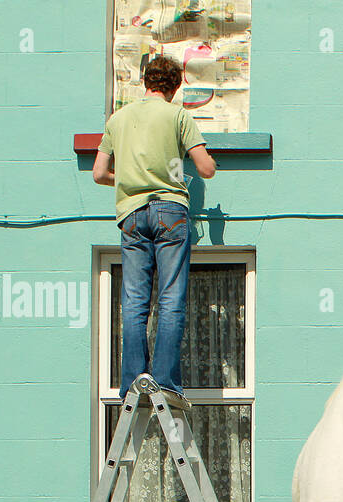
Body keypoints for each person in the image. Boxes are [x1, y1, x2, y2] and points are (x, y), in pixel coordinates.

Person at [92, 55, 216, 403]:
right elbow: (205, 169)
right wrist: (209, 163)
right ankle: (165, 381)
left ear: (146, 82)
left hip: (131, 214)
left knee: (134, 301)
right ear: (175, 87)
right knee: (171, 299)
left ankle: (133, 379)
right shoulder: (178, 115)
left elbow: (100, 173)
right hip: (170, 211)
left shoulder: (118, 119)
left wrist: (129, 179)